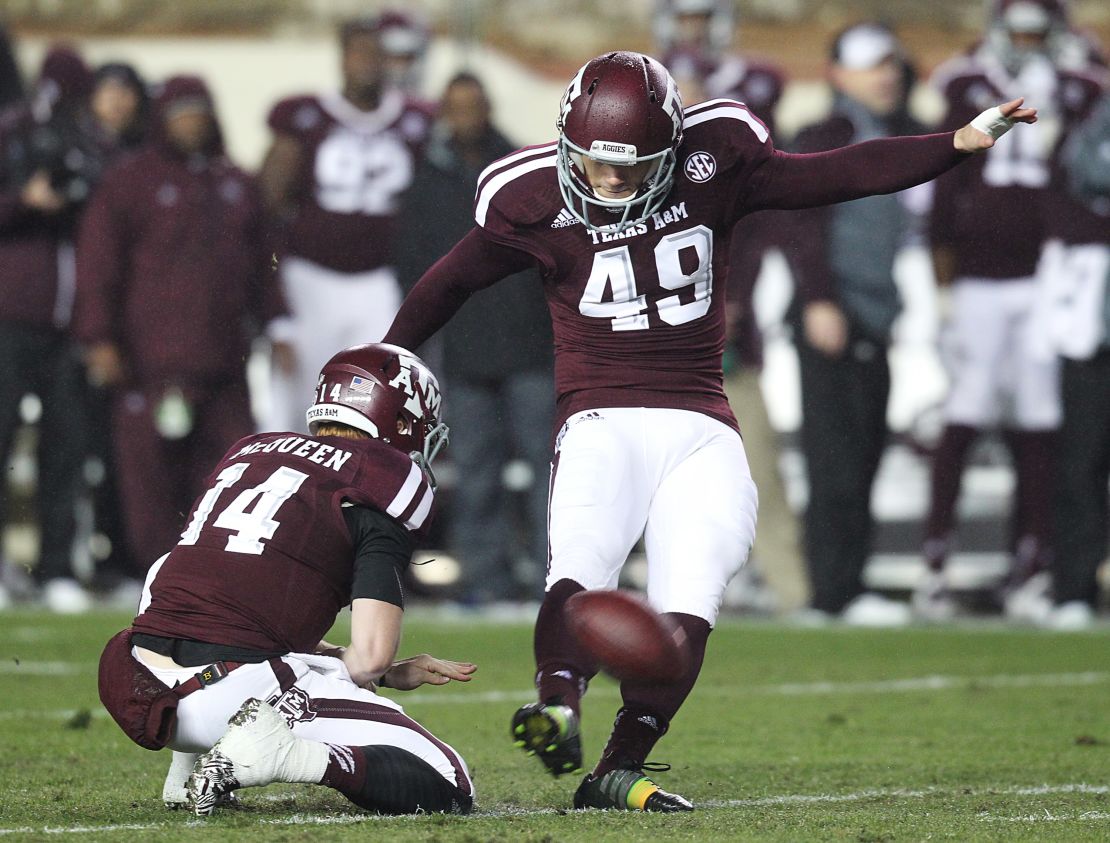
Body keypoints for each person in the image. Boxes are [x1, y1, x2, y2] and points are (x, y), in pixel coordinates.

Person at [383, 50, 1036, 810]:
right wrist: (388, 361)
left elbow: (836, 173)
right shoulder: (527, 196)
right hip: (600, 416)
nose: (612, 181)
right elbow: (448, 282)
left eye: (634, 164)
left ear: (673, 145)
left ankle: (617, 769)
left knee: (691, 602)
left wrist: (951, 144)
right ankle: (557, 704)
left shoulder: (715, 157)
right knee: (581, 568)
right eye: (595, 162)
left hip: (701, 417)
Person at [98, 343, 474, 816]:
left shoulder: (251, 452)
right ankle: (291, 756)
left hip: (129, 675)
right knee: (450, 779)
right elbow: (369, 661)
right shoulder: (380, 480)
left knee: (203, 606)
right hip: (223, 695)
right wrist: (373, 668)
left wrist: (358, 665)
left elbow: (189, 585)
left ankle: (186, 767)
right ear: (401, 422)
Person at [913, 0, 1105, 621]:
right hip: (978, 277)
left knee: (1041, 419)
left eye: (1035, 33)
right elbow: (944, 178)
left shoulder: (1082, 84)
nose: (1025, 44)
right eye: (1016, 32)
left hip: (1050, 274)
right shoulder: (964, 81)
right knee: (966, 410)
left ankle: (1033, 563)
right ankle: (934, 562)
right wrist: (941, 284)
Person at [74, 75, 286, 577]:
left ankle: (217, 577)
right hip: (150, 366)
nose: (191, 122)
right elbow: (99, 264)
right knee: (150, 480)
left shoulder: (236, 183)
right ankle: (157, 577)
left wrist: (279, 325)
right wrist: (99, 337)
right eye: (180, 113)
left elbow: (264, 263)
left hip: (225, 364)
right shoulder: (130, 182)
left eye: (199, 112)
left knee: (230, 473)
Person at [655, 0, 808, 613]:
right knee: (648, 480)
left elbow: (767, 206)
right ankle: (652, 595)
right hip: (650, 333)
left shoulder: (744, 131)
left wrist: (736, 295)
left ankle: (795, 591)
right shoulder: (629, 131)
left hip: (723, 329)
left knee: (757, 464)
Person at [786, 23, 928, 626]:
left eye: (891, 64)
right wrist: (818, 298)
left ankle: (853, 583)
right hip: (832, 312)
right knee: (833, 459)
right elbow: (800, 222)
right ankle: (830, 592)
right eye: (872, 66)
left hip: (875, 313)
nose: (886, 76)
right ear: (837, 74)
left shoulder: (903, 130)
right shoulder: (822, 135)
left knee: (866, 450)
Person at [396, 72, 554, 607]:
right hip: (465, 350)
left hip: (529, 342)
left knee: (546, 471)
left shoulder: (521, 170)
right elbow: (413, 268)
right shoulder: (427, 183)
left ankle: (553, 579)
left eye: (473, 104)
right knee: (477, 474)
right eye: (455, 105)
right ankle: (486, 581)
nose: (465, 114)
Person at [259, 14, 435, 433]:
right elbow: (268, 199)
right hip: (310, 277)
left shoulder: (416, 120)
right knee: (300, 392)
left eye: (374, 54)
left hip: (379, 279)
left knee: (379, 391)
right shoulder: (305, 116)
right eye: (358, 54)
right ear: (341, 60)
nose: (367, 64)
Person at [0, 45, 95, 613]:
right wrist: (22, 202)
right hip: (11, 319)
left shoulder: (90, 142)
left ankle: (57, 565)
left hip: (71, 327)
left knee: (66, 448)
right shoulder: (12, 131)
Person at [1039, 91, 1110, 629]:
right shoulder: (1080, 133)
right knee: (1080, 460)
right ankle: (1073, 587)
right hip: (1088, 321)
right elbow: (1061, 216)